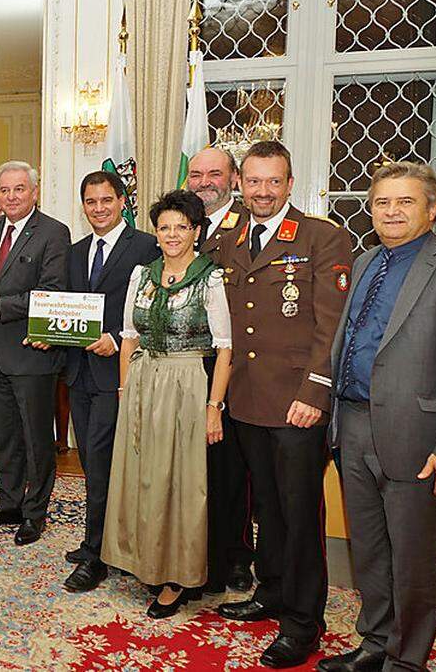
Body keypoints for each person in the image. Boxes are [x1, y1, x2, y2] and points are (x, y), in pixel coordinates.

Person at [318, 163, 436, 672]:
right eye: (382, 203)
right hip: (352, 424)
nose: (391, 212)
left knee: (413, 558)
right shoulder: (367, 259)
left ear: (432, 209)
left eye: (405, 202)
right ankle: (374, 643)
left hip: (420, 439)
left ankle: (406, 659)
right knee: (370, 549)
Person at [212, 141, 353, 668]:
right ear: (240, 185)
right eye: (253, 181)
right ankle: (270, 591)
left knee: (298, 515)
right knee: (265, 507)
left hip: (297, 404)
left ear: (290, 184)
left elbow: (330, 325)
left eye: (273, 182)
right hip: (246, 399)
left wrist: (315, 392)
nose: (262, 191)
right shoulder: (229, 237)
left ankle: (302, 622)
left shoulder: (322, 237)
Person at [99, 190, 233, 618]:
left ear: (196, 231)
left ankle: (177, 576)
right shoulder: (142, 274)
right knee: (142, 475)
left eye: (181, 227)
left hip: (187, 383)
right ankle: (144, 559)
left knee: (179, 481)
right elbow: (128, 339)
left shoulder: (210, 278)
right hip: (141, 382)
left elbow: (226, 349)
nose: (172, 234)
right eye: (164, 227)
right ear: (155, 233)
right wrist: (125, 393)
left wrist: (214, 406)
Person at [57, 171, 160, 592]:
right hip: (79, 373)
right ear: (83, 205)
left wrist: (117, 340)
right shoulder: (75, 251)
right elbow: (67, 306)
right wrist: (49, 334)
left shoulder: (148, 246)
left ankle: (98, 555)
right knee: (91, 461)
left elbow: (152, 308)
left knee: (103, 461)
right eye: (91, 201)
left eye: (106, 200)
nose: (98, 208)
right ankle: (101, 541)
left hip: (120, 373)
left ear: (121, 202)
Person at [0, 160, 70, 546]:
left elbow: (54, 291)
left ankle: (34, 513)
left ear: (34, 192)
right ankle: (8, 503)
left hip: (32, 354)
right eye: (5, 190)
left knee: (36, 438)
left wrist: (2, 308)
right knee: (5, 436)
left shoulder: (54, 233)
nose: (11, 196)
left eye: (19, 189)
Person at [186, 146, 255, 594]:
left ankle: (234, 556)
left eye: (214, 173)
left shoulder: (249, 228)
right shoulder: (179, 226)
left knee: (231, 470)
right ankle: (193, 551)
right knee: (191, 470)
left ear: (232, 179)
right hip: (185, 366)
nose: (204, 182)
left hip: (233, 367)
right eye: (196, 174)